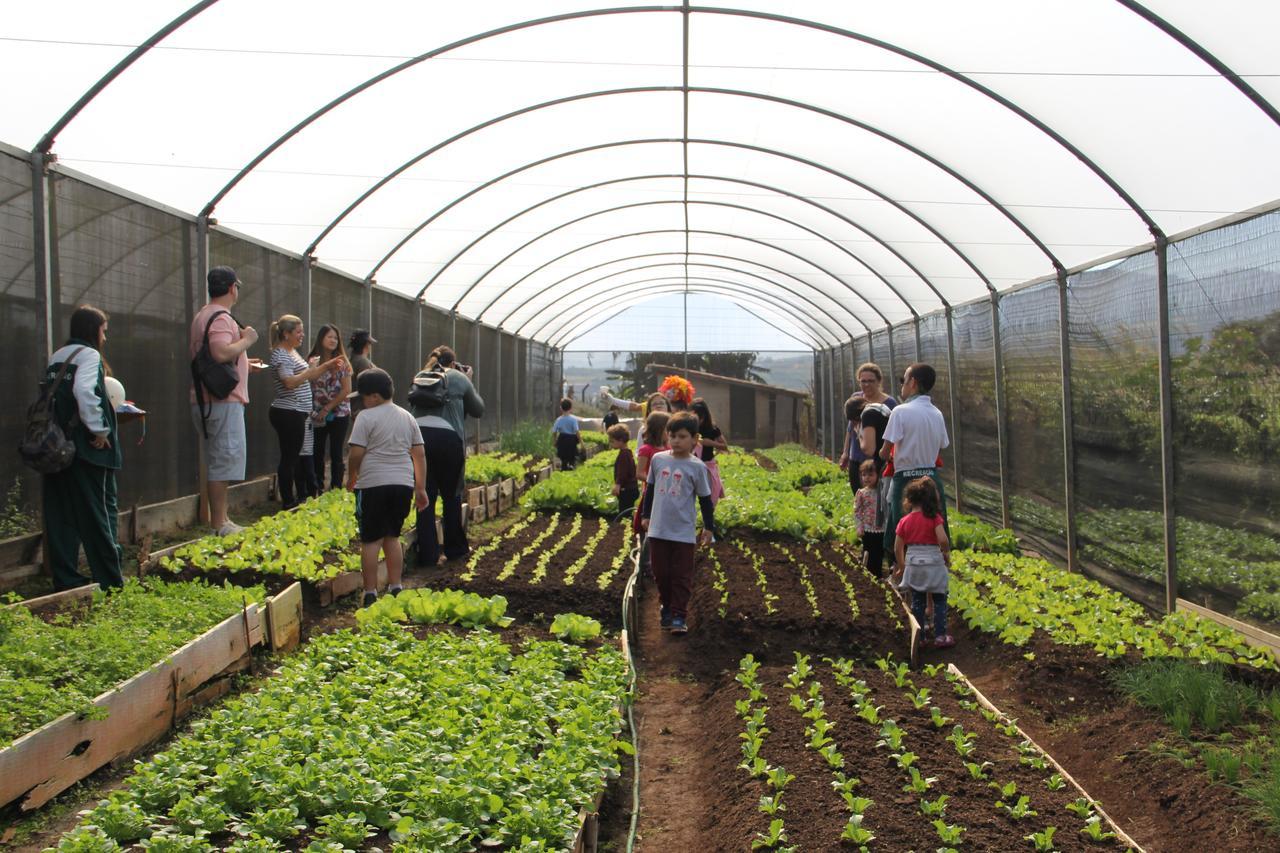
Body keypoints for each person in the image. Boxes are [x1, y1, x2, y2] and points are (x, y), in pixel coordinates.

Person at [43, 306, 125, 590]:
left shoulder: (58, 357)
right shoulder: (88, 355)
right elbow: (85, 393)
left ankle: (66, 580)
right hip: (85, 449)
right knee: (98, 513)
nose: (105, 337)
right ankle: (110, 581)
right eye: (104, 331)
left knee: (61, 516)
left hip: (56, 449)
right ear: (93, 331)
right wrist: (100, 430)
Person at [189, 266, 265, 536]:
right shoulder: (221, 317)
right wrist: (248, 341)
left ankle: (221, 519)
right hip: (222, 401)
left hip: (210, 400)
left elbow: (215, 356)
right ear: (233, 287)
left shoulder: (203, 315)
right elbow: (220, 352)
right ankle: (219, 524)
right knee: (223, 459)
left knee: (219, 458)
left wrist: (245, 363)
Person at [344, 368, 428, 608]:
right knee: (392, 536)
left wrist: (352, 476)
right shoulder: (407, 417)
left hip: (373, 485)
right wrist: (420, 488)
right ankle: (396, 586)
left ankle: (370, 592)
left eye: (363, 397)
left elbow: (356, 452)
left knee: (371, 540)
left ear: (374, 397)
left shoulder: (366, 417)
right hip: (402, 485)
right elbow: (419, 454)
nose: (362, 402)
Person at [640, 412, 715, 634]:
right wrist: (646, 515)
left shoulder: (697, 467)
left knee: (682, 574)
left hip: (683, 531)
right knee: (661, 572)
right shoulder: (658, 460)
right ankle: (666, 606)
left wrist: (709, 527)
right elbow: (650, 489)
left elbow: (705, 500)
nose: (676, 441)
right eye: (672, 436)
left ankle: (679, 616)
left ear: (694, 439)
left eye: (682, 436)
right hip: (658, 529)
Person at [410, 345, 485, 566]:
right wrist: (468, 379)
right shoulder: (457, 377)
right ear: (453, 363)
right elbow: (478, 409)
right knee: (452, 494)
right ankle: (455, 549)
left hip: (418, 438)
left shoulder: (420, 375)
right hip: (448, 439)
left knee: (425, 496)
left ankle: (428, 554)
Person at [268, 315, 343, 510]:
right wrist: (314, 370)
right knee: (290, 457)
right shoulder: (281, 354)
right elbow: (289, 382)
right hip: (288, 411)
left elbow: (306, 376)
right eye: (298, 332)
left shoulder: (292, 352)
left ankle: (298, 497)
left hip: (298, 411)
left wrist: (324, 367)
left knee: (298, 455)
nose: (302, 335)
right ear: (286, 334)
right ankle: (288, 501)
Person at [880, 363, 951, 563]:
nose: (902, 385)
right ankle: (936, 572)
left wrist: (885, 453)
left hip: (905, 479)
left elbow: (885, 453)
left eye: (904, 380)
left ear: (913, 382)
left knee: (901, 530)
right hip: (930, 479)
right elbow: (941, 446)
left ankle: (901, 574)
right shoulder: (936, 413)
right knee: (933, 526)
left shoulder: (900, 412)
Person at [893, 476, 953, 648]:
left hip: (913, 563)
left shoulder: (904, 522)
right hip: (934, 562)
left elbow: (898, 548)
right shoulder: (934, 518)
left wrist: (903, 566)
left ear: (910, 500)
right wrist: (945, 552)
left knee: (917, 600)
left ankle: (920, 637)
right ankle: (941, 636)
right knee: (940, 598)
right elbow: (942, 539)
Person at [307, 324, 352, 491]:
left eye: (336, 337)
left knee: (336, 452)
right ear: (321, 339)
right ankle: (317, 486)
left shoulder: (343, 362)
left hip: (339, 413)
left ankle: (336, 488)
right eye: (329, 337)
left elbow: (346, 390)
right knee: (317, 451)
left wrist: (328, 408)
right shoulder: (312, 361)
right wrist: (320, 411)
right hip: (317, 415)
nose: (333, 340)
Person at [633, 410, 670, 579]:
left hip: (667, 496)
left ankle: (662, 563)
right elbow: (639, 472)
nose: (670, 434)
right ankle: (645, 565)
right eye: (667, 430)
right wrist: (655, 480)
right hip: (652, 494)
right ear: (658, 429)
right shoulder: (646, 449)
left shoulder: (669, 448)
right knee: (648, 531)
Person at [690, 397, 727, 505]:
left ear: (705, 416)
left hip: (707, 466)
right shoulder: (688, 428)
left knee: (710, 494)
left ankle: (707, 516)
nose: (699, 421)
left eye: (700, 418)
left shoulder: (713, 429)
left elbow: (724, 446)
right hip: (692, 464)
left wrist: (710, 443)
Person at [854, 459, 886, 577]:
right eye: (864, 475)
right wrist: (859, 527)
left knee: (879, 553)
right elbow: (857, 511)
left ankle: (877, 575)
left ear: (877, 475)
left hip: (881, 528)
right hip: (867, 528)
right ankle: (867, 574)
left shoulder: (882, 491)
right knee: (868, 551)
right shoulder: (861, 493)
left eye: (871, 475)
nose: (867, 478)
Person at [609, 423, 639, 512]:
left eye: (612, 441)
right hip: (632, 488)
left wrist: (618, 485)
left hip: (626, 490)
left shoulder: (623, 454)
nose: (611, 444)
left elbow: (622, 472)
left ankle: (625, 525)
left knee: (624, 513)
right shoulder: (628, 452)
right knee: (628, 511)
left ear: (621, 440)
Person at [347, 329, 377, 415]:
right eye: (370, 343)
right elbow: (368, 387)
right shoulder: (363, 362)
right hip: (361, 408)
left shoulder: (350, 359)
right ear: (366, 344)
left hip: (354, 407)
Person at [552, 398, 582, 471]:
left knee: (563, 457)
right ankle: (571, 466)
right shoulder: (573, 419)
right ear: (571, 408)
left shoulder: (558, 419)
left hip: (562, 439)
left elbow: (554, 432)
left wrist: (555, 441)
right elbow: (577, 431)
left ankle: (564, 468)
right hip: (571, 440)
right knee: (572, 456)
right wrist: (582, 442)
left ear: (561, 408)